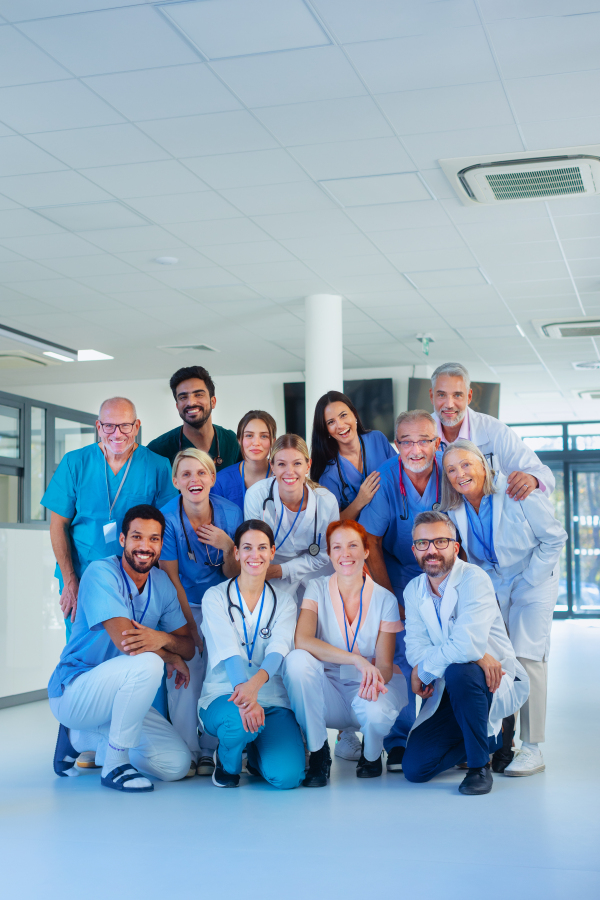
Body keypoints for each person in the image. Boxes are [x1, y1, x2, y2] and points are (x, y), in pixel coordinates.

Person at [442, 439, 567, 776]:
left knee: (528, 656)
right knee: (497, 656)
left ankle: (533, 747)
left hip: (535, 578)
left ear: (483, 465)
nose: (460, 474)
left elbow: (555, 538)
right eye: (452, 469)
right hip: (495, 584)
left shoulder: (515, 490)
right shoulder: (452, 509)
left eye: (467, 465)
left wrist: (528, 580)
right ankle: (499, 741)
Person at [49, 505, 194, 793]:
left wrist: (162, 640)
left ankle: (79, 738)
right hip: (76, 689)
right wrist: (168, 654)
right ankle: (114, 763)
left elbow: (188, 646)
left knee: (176, 765)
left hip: (119, 696)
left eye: (154, 539)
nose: (145, 546)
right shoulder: (100, 572)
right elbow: (127, 642)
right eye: (137, 537)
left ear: (161, 544)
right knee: (149, 664)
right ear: (123, 540)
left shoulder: (162, 584)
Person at [402, 511, 529, 795]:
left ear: (455, 547)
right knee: (416, 769)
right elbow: (415, 649)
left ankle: (478, 766)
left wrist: (423, 671)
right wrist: (472, 653)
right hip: (449, 689)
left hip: (489, 681)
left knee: (462, 669)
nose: (431, 550)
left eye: (440, 541)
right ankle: (493, 739)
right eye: (422, 544)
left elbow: (464, 647)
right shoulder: (413, 590)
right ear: (414, 550)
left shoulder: (474, 579)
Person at [283, 520, 407, 787]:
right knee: (296, 661)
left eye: (353, 546)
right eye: (337, 547)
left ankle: (372, 756)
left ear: (366, 551)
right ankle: (318, 753)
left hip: (368, 686)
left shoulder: (385, 599)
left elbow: (385, 666)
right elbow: (302, 639)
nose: (345, 554)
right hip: (328, 689)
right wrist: (355, 659)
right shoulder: (317, 588)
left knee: (375, 714)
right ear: (330, 554)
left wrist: (372, 679)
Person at [42, 396, 176, 641]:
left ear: (136, 427)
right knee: (84, 651)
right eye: (109, 426)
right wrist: (70, 579)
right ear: (98, 427)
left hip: (137, 578)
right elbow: (58, 525)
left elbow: (165, 528)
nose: (117, 433)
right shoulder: (75, 463)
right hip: (82, 575)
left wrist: (162, 583)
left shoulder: (157, 466)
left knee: (134, 646)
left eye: (125, 426)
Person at [360, 409, 443, 773]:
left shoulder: (450, 472)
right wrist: (390, 598)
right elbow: (371, 541)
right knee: (403, 652)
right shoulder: (385, 478)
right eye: (406, 441)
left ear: (436, 442)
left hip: (444, 569)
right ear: (396, 444)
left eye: (424, 440)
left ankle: (445, 734)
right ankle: (398, 740)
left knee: (448, 650)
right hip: (395, 568)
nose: (415, 449)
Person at [198, 520, 305, 789]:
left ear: (272, 552)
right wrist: (246, 698)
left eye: (261, 548)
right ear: (236, 553)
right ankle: (228, 764)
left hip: (271, 699)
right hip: (226, 695)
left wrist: (254, 688)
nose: (254, 555)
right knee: (237, 720)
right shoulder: (215, 597)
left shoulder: (285, 602)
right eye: (247, 548)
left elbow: (279, 650)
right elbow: (228, 650)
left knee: (287, 777)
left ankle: (256, 757)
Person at [159, 449, 243, 777]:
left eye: (201, 473)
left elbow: (236, 573)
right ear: (176, 481)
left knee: (218, 670)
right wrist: (190, 630)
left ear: (212, 478)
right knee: (187, 670)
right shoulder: (166, 519)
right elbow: (171, 578)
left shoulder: (230, 513)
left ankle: (210, 749)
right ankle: (187, 750)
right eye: (187, 474)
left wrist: (227, 545)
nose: (195, 480)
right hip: (182, 604)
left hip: (222, 603)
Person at [429, 362, 555, 500]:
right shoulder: (418, 434)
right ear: (432, 396)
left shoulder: (496, 431)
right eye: (441, 395)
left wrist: (532, 479)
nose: (449, 404)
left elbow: (544, 474)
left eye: (457, 395)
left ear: (469, 397)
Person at [244, 434, 339, 602]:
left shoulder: (326, 501)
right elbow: (253, 547)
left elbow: (326, 553)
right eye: (281, 464)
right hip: (270, 571)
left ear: (308, 465)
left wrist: (283, 570)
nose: (289, 472)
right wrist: (274, 571)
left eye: (297, 463)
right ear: (272, 466)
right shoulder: (256, 496)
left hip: (316, 571)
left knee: (322, 620)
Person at [310, 390, 396, 520]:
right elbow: (333, 524)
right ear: (326, 430)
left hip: (394, 524)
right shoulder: (329, 474)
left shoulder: (377, 439)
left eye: (343, 415)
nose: (340, 425)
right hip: (359, 536)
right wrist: (360, 501)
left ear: (354, 415)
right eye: (331, 422)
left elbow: (401, 474)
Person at [147, 365, 241, 472]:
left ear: (213, 402)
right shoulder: (157, 450)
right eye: (183, 397)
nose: (191, 402)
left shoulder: (231, 442)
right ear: (177, 406)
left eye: (198, 395)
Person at [212, 410, 277, 512]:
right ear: (239, 440)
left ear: (273, 441)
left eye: (264, 436)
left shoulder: (282, 478)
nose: (256, 443)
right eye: (249, 435)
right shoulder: (220, 482)